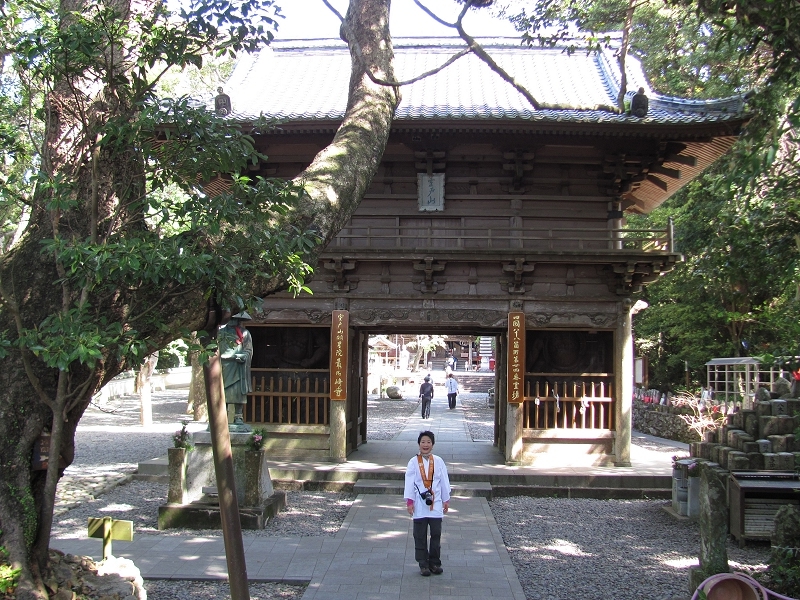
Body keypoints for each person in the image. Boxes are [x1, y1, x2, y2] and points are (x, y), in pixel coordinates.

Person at [404, 430, 451, 577]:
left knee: (436, 534)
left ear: (433, 444)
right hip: (419, 502)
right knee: (420, 534)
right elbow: (409, 482)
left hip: (435, 502)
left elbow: (444, 480)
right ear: (419, 444)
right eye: (423, 442)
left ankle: (435, 562)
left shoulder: (438, 461)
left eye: (428, 442)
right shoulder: (413, 462)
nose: (426, 445)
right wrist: (409, 502)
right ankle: (423, 564)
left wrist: (446, 499)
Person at [218, 311, 253, 431]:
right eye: (231, 318)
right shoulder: (220, 333)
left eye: (236, 319)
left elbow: (248, 350)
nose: (233, 321)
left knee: (239, 391)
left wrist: (244, 355)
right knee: (224, 391)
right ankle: (223, 416)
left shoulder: (245, 333)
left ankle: (239, 416)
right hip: (225, 365)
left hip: (239, 366)